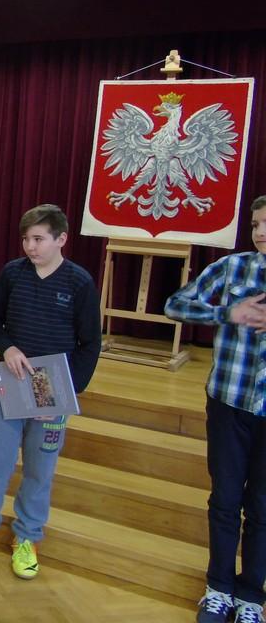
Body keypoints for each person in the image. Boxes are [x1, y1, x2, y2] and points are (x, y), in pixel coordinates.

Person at [0, 204, 100, 579]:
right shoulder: (12, 273)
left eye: (38, 239)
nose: (30, 246)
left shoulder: (79, 283)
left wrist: (63, 395)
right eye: (25, 239)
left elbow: (90, 344)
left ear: (61, 239)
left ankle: (27, 537)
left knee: (39, 470)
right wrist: (7, 347)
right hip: (7, 383)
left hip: (51, 389)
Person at [165, 196, 266, 623]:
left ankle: (251, 596)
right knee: (225, 499)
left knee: (262, 507)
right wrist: (229, 312)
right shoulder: (232, 268)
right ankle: (219, 588)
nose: (260, 232)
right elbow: (175, 304)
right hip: (229, 402)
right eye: (256, 224)